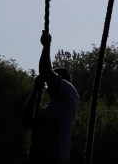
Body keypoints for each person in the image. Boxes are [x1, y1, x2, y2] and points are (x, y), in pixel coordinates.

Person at [22, 31, 79, 164]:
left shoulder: (69, 94)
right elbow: (26, 121)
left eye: (50, 82)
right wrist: (35, 91)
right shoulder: (49, 109)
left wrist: (46, 45)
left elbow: (46, 71)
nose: (48, 87)